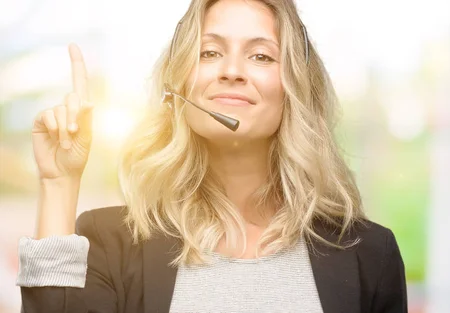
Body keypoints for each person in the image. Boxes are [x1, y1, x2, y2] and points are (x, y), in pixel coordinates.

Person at [16, 0, 407, 312]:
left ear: (295, 90)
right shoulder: (110, 240)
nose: (232, 70)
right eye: (209, 52)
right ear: (180, 84)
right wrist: (58, 182)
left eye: (261, 56)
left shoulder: (370, 255)